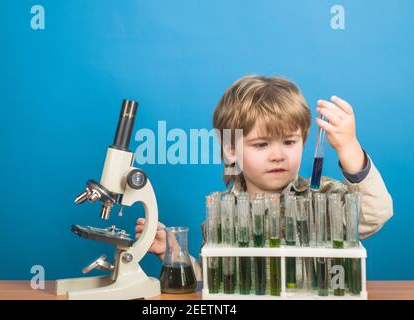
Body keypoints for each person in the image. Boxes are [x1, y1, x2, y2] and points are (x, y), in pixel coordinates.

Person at [135, 75, 393, 281]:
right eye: (261, 145)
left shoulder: (323, 196)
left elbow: (375, 214)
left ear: (304, 143)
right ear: (231, 149)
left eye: (289, 142)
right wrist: (176, 256)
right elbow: (216, 283)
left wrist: (350, 149)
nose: (278, 155)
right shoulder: (222, 213)